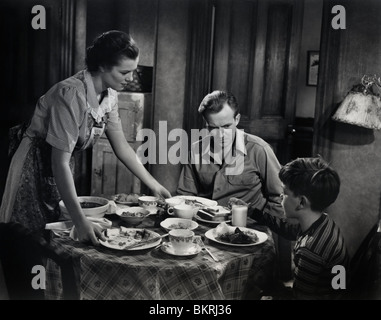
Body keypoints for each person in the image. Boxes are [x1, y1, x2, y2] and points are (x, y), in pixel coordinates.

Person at [0, 30, 171, 245]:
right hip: (32, 168)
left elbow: (122, 147)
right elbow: (59, 161)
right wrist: (80, 222)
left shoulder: (110, 95)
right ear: (102, 66)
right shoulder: (71, 94)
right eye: (124, 72)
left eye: (133, 71)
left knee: (56, 242)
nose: (131, 78)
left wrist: (153, 185)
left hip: (57, 170)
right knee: (31, 242)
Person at [251, 157, 349, 300]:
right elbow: (289, 230)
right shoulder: (323, 222)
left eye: (284, 193)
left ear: (302, 202)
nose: (280, 197)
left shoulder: (310, 250)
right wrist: (254, 213)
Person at [176, 90, 283, 217]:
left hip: (250, 227)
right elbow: (185, 196)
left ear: (237, 119)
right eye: (213, 127)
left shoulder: (259, 149)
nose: (221, 135)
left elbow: (279, 198)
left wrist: (265, 228)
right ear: (206, 124)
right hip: (206, 225)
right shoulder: (196, 150)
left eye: (226, 126)